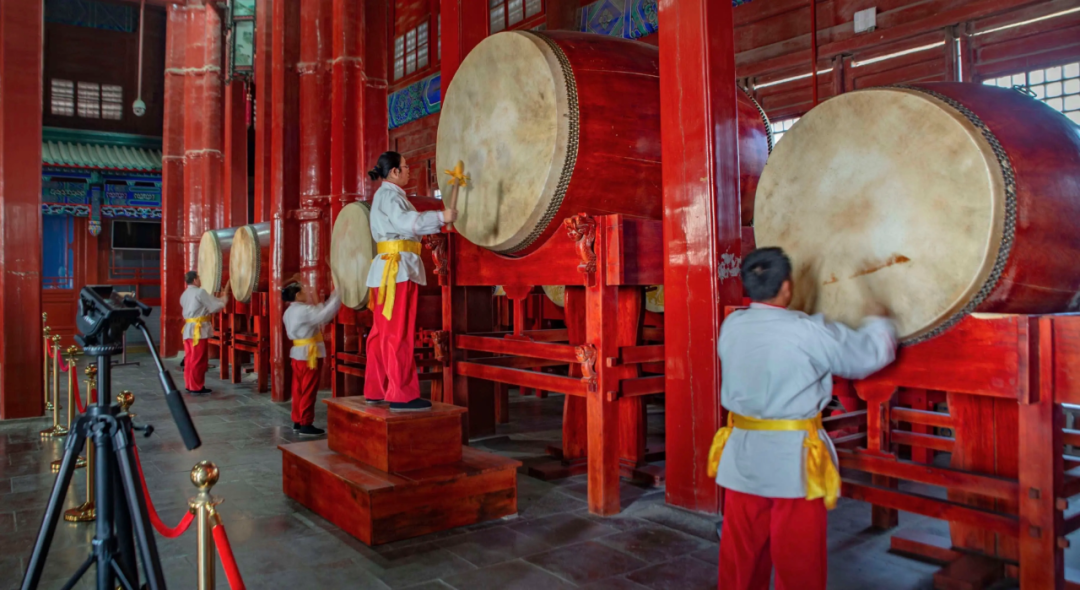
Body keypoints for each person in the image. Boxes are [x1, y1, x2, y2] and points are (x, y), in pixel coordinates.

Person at [710, 247, 898, 590]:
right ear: (787, 286)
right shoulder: (808, 331)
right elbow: (866, 356)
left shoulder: (731, 326)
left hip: (743, 455)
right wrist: (878, 321)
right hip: (794, 461)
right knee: (799, 562)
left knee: (741, 556)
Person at [365, 151, 457, 412]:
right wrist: (441, 217)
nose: (408, 171)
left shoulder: (385, 195)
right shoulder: (391, 196)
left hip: (388, 271)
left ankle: (377, 388)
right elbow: (408, 223)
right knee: (398, 333)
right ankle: (401, 394)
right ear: (394, 172)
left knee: (381, 333)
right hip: (397, 271)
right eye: (405, 167)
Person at [282, 274, 341, 436]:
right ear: (297, 295)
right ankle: (306, 424)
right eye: (303, 291)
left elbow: (317, 312)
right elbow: (325, 314)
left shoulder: (289, 311)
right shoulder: (303, 311)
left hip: (298, 354)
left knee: (298, 389)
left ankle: (297, 420)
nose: (306, 293)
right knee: (309, 389)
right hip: (309, 355)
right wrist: (338, 294)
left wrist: (316, 296)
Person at [180, 271, 230, 395]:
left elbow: (208, 302)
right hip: (198, 331)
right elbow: (213, 307)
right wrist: (224, 300)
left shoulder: (185, 294)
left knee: (189, 358)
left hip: (188, 329)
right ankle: (196, 387)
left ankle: (189, 384)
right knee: (198, 359)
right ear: (195, 280)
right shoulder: (200, 292)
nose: (200, 280)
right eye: (199, 278)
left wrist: (219, 299)